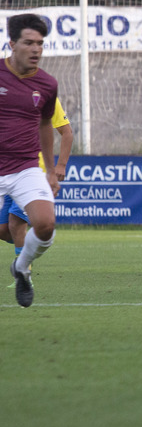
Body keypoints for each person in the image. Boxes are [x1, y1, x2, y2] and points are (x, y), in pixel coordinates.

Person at [2, 13, 60, 308]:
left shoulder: (48, 85)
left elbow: (46, 125)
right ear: (11, 44)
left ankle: (22, 268)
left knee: (46, 224)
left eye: (40, 43)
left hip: (25, 167)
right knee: (5, 231)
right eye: (29, 43)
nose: (36, 49)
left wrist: (51, 171)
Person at [2, 96, 73, 286]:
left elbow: (66, 132)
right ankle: (29, 245)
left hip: (33, 172)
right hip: (6, 171)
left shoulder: (44, 94)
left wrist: (61, 166)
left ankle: (24, 276)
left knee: (16, 223)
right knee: (4, 230)